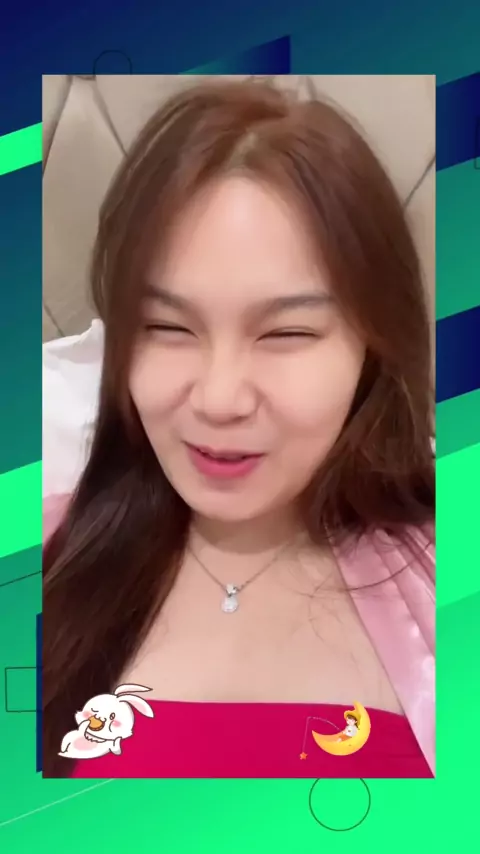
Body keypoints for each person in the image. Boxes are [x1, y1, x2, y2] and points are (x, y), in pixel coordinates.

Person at [42, 77, 435, 780]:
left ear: (371, 350)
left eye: (286, 333)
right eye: (167, 327)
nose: (219, 399)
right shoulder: (44, 562)